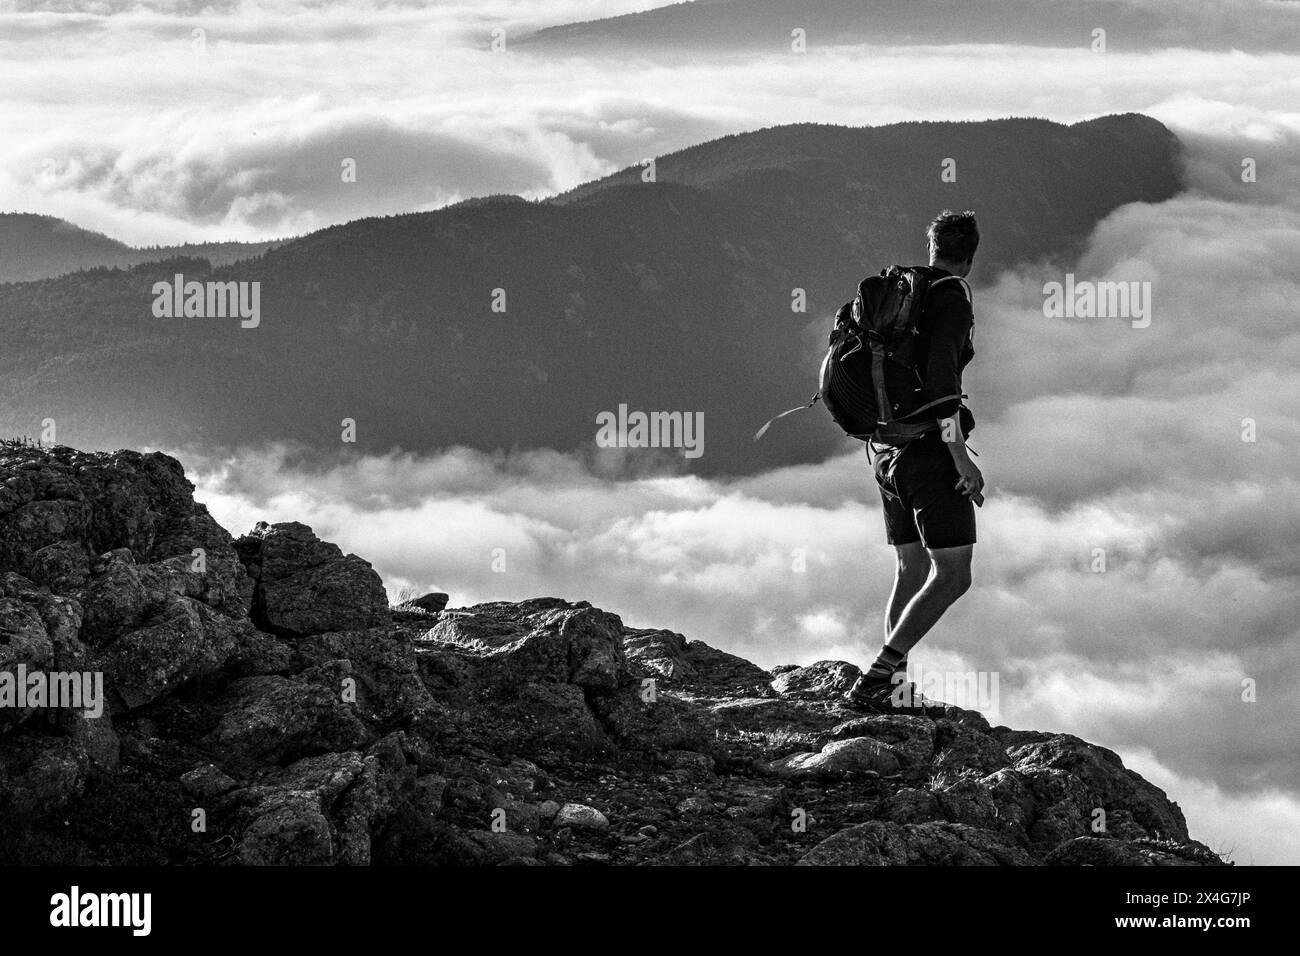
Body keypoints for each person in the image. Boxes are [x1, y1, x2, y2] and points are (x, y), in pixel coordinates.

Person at [846, 210, 983, 713]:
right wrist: (960, 458)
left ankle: (893, 688)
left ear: (931, 246)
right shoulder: (950, 298)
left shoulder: (900, 290)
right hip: (927, 454)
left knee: (911, 565)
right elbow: (944, 386)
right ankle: (880, 676)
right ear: (970, 255)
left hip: (887, 453)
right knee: (954, 574)